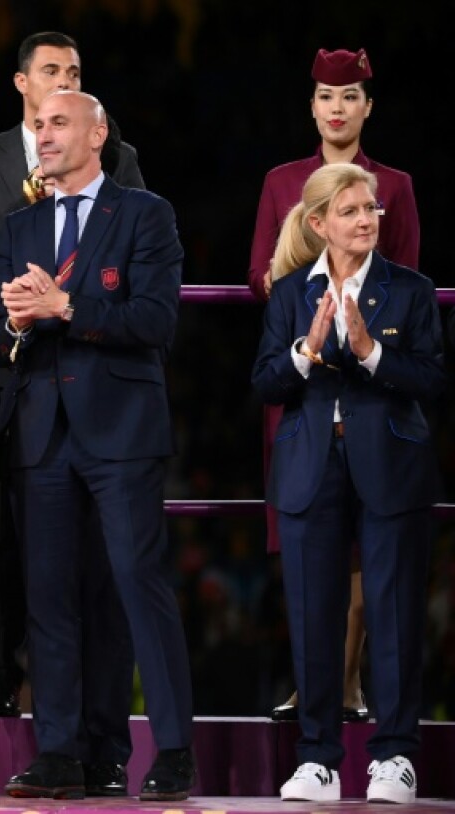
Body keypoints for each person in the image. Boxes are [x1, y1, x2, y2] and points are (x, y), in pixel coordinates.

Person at [0, 29, 141, 796]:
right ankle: (5, 687)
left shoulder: (115, 158)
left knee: (105, 573)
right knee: (13, 550)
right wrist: (16, 279)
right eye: (51, 72)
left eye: (76, 74)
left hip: (102, 386)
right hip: (13, 379)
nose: (64, 82)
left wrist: (67, 293)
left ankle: (103, 742)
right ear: (22, 84)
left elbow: (141, 251)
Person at [0, 90, 193, 802]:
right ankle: (64, 751)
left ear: (98, 133)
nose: (43, 133)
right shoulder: (20, 225)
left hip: (121, 430)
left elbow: (156, 320)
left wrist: (65, 307)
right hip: (41, 431)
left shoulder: (145, 213)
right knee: (49, 599)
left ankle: (170, 749)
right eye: (37, 124)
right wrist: (12, 323)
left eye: (58, 122)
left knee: (136, 586)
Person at [252, 163, 441, 805]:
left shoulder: (411, 291)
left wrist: (371, 353)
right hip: (309, 465)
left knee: (391, 610)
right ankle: (319, 759)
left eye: (372, 211)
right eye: (353, 211)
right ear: (319, 223)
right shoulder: (288, 295)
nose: (366, 221)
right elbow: (265, 382)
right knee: (312, 615)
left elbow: (433, 380)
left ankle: (394, 756)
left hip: (390, 465)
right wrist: (305, 352)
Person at [247, 47, 419, 724]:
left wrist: (362, 332)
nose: (338, 107)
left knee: (365, 541)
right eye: (326, 96)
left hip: (375, 386)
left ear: (367, 107)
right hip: (303, 376)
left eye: (350, 96)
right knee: (306, 534)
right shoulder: (281, 181)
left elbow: (406, 286)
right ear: (312, 106)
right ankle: (317, 688)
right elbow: (261, 277)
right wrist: (304, 306)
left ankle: (346, 686)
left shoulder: (396, 187)